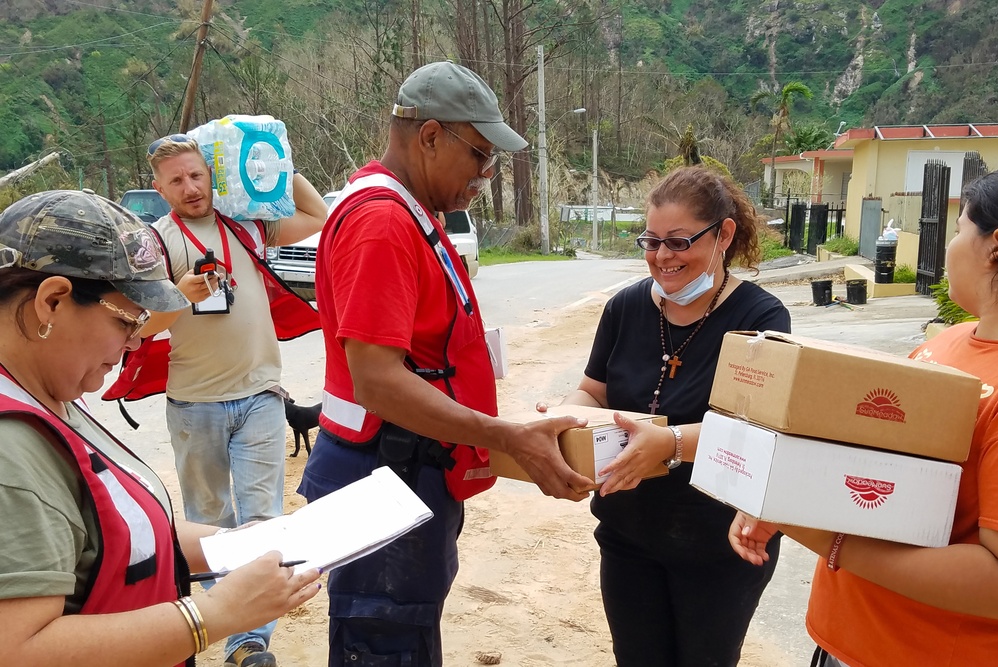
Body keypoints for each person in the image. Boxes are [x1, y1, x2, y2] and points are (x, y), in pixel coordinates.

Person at [298, 60, 594, 667]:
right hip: (383, 480)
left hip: (405, 472)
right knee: (385, 643)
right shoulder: (382, 222)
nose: (485, 174)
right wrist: (504, 436)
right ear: (430, 136)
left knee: (404, 634)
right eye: (480, 155)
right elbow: (377, 381)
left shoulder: (411, 210)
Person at [0, 189, 321, 667]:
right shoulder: (10, 448)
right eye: (129, 321)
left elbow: (118, 528)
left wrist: (248, 544)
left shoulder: (46, 392)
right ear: (52, 303)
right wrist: (213, 613)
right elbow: (19, 648)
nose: (134, 344)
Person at [730, 171, 998, 667]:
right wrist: (793, 496)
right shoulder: (947, 343)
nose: (949, 246)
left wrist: (822, 536)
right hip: (849, 640)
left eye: (959, 229)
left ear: (995, 246)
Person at [548, 166, 791, 666]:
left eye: (679, 243)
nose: (662, 258)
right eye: (651, 242)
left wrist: (672, 443)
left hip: (719, 542)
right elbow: (593, 391)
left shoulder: (761, 321)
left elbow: (762, 429)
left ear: (723, 234)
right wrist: (562, 421)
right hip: (628, 534)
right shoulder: (626, 308)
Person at [118, 134, 327, 667]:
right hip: (194, 405)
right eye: (176, 180)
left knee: (262, 518)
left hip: (260, 395)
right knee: (210, 522)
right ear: (160, 188)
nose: (189, 188)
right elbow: (139, 331)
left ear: (212, 173)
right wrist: (179, 297)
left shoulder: (249, 225)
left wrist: (278, 163)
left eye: (196, 175)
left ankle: (248, 644)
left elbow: (317, 214)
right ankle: (222, 623)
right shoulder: (158, 245)